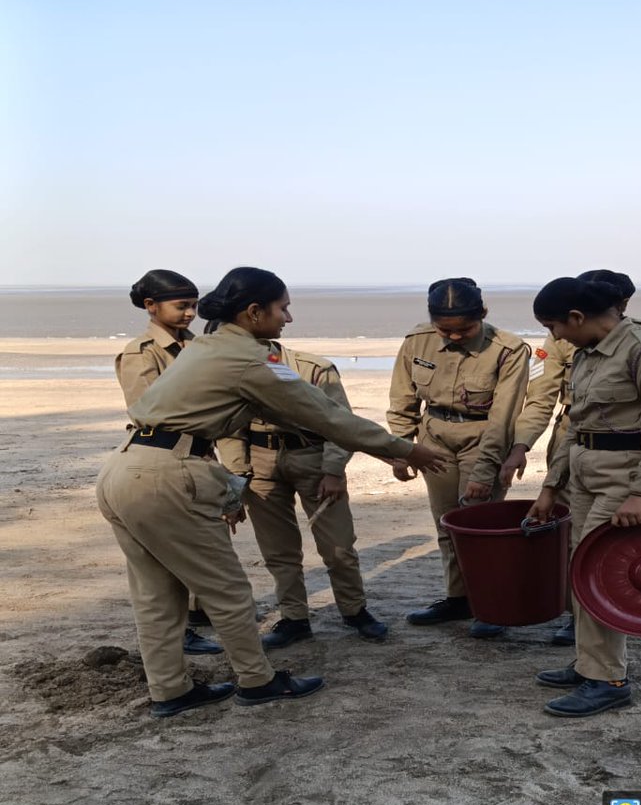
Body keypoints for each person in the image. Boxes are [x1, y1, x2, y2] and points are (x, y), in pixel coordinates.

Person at [96, 267, 446, 717]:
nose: (289, 319)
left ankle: (170, 690)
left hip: (124, 468)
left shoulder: (205, 346)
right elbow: (329, 418)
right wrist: (404, 450)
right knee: (228, 592)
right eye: (283, 308)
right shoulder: (249, 360)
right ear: (254, 312)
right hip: (168, 474)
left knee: (155, 593)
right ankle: (257, 681)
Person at [526, 276, 641, 717]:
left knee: (601, 575)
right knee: (581, 568)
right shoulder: (585, 355)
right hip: (585, 473)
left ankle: (608, 680)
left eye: (556, 326)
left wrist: (640, 494)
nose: (554, 337)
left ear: (577, 317)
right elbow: (575, 426)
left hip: (630, 477)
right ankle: (589, 663)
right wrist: (550, 485)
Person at [500, 270, 641, 646]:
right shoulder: (572, 344)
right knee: (576, 551)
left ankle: (604, 665)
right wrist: (526, 452)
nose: (556, 335)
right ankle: (582, 635)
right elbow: (546, 399)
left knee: (600, 562)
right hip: (573, 450)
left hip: (621, 460)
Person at [217, 343, 388, 648]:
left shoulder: (313, 368)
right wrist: (237, 482)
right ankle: (294, 618)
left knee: (338, 546)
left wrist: (334, 470)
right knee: (278, 550)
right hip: (259, 461)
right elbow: (229, 432)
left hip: (314, 458)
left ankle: (354, 610)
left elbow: (341, 421)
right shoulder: (229, 369)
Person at [387, 278, 530, 636]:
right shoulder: (416, 342)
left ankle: (493, 606)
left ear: (483, 313)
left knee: (482, 529)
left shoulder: (509, 350)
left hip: (483, 440)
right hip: (434, 438)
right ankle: (459, 600)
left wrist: (485, 471)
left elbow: (504, 418)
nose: (453, 337)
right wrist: (401, 449)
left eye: (464, 329)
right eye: (444, 330)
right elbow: (402, 399)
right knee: (447, 524)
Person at [116, 269, 222, 657]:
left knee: (203, 543)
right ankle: (178, 634)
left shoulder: (197, 346)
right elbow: (147, 410)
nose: (190, 313)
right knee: (168, 556)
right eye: (182, 306)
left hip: (199, 453)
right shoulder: (141, 352)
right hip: (163, 456)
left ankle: (195, 619)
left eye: (194, 305)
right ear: (150, 306)